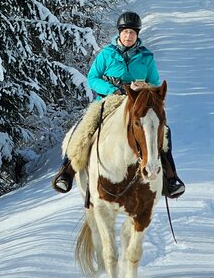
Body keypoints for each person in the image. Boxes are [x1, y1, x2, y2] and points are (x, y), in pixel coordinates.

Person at [51, 11, 185, 198]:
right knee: (85, 125)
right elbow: (92, 78)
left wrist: (143, 87)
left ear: (137, 34)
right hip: (110, 100)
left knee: (163, 131)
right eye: (125, 32)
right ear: (119, 33)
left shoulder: (146, 56)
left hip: (138, 102)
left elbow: (154, 83)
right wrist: (113, 90)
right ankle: (66, 172)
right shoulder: (107, 54)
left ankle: (171, 179)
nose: (128, 36)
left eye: (132, 33)